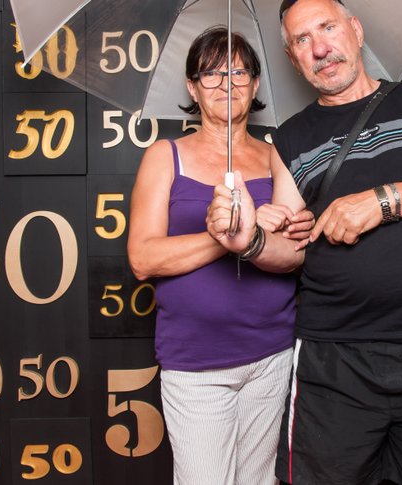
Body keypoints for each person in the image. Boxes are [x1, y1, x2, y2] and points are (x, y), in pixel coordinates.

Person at [206, 0, 402, 485]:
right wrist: (247, 241)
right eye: (302, 40)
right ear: (292, 58)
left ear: (356, 30)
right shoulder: (291, 138)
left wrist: (381, 201)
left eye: (327, 28)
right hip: (333, 360)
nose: (320, 48)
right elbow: (291, 248)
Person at [127, 26, 313, 485]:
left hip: (271, 353)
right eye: (211, 74)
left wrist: (276, 232)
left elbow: (294, 252)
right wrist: (226, 235)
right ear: (192, 87)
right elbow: (143, 260)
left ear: (254, 83)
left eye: (238, 72)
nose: (226, 84)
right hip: (196, 362)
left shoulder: (277, 156)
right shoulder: (165, 156)